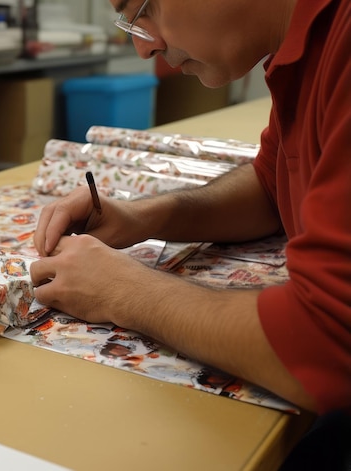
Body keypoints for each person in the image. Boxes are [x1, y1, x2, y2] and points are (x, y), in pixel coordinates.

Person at [30, 0, 350, 452]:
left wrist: (122, 291)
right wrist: (141, 217)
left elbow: (326, 342)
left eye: (144, 8)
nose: (145, 48)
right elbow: (274, 182)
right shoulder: (303, 51)